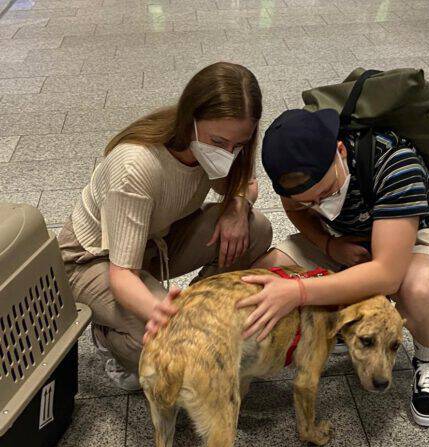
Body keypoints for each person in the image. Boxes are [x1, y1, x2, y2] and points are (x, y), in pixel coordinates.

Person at [237, 108, 429, 427]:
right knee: (265, 272)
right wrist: (328, 245)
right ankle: (339, 327)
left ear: (340, 152)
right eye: (309, 201)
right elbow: (295, 209)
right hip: (350, 242)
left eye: (326, 193)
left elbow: (387, 275)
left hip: (420, 240)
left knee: (421, 289)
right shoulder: (295, 179)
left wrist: (299, 291)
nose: (319, 205)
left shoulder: (394, 163)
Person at [58, 62, 273, 390]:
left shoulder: (219, 143)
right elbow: (122, 274)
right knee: (174, 350)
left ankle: (202, 308)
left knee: (255, 228)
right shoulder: (136, 165)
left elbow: (247, 183)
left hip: (154, 240)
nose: (228, 154)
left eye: (239, 145)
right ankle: (108, 336)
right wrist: (167, 315)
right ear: (190, 120)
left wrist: (237, 207)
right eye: (218, 141)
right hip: (91, 260)